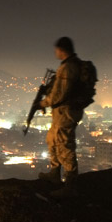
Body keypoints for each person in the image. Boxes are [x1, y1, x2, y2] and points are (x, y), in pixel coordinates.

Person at [38, 37, 85, 197]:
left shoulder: (68, 67)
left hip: (67, 112)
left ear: (61, 50)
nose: (55, 52)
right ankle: (55, 173)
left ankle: (71, 185)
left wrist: (43, 103)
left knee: (65, 146)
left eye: (56, 49)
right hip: (62, 113)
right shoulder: (69, 65)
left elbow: (60, 94)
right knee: (52, 139)